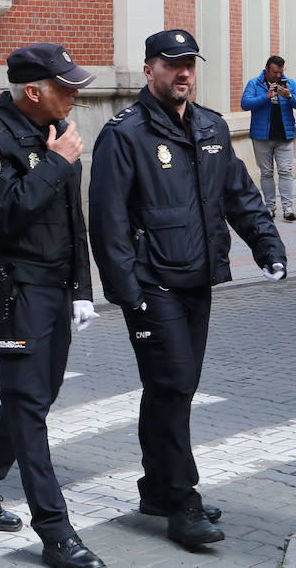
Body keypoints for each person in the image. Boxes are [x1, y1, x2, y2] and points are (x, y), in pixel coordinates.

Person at [90, 29, 287, 551]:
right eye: (171, 64)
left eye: (189, 64)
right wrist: (124, 290)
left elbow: (241, 195)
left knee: (172, 389)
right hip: (151, 284)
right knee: (174, 385)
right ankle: (181, 500)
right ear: (150, 68)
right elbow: (106, 219)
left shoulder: (211, 127)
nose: (183, 73)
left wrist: (269, 247)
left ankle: (156, 488)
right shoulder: (125, 134)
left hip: (198, 279)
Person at [0, 43, 102, 568]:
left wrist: (82, 289)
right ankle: (56, 531)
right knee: (29, 405)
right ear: (33, 92)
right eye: (66, 87)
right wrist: (56, 164)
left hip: (56, 289)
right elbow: (5, 213)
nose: (75, 95)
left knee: (37, 395)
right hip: (17, 290)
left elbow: (72, 223)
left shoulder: (51, 135)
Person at [240, 54, 296, 220]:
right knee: (266, 173)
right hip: (261, 136)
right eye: (275, 72)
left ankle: (288, 209)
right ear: (266, 70)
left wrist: (289, 96)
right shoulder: (254, 84)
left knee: (286, 171)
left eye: (281, 72)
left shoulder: (290, 84)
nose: (278, 75)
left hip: (285, 135)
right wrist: (266, 97)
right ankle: (270, 208)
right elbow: (245, 104)